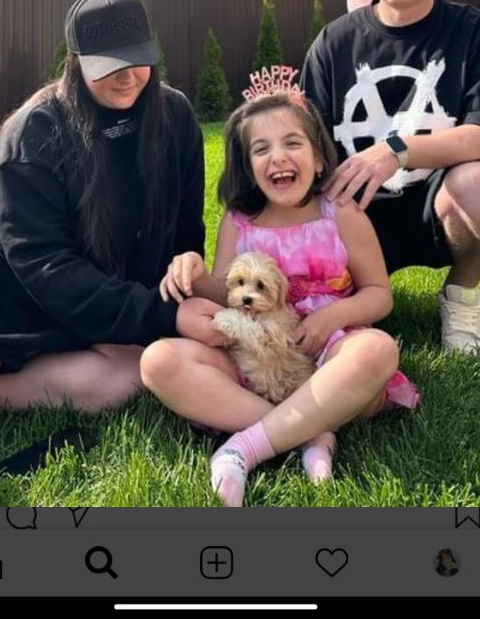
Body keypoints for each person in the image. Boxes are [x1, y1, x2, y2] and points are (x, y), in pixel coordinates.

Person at [0, 0, 225, 481]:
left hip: (84, 299)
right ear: (76, 62)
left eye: (137, 60)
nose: (126, 76)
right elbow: (45, 267)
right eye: (108, 65)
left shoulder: (175, 118)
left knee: (129, 378)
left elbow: (184, 234)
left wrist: (185, 276)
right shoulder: (34, 132)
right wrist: (166, 315)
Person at [141, 85, 419, 507]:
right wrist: (196, 272)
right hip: (255, 360)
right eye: (261, 149)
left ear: (319, 157)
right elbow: (230, 295)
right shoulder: (240, 221)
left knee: (377, 351)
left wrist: (330, 318)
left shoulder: (341, 213)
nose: (278, 157)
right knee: (158, 361)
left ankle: (245, 447)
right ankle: (310, 432)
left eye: (292, 143)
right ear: (247, 167)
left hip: (329, 357)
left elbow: (380, 295)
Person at [300, 0, 480, 355]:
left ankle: (462, 296)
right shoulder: (333, 43)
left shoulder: (476, 32)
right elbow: (309, 144)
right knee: (342, 324)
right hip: (354, 208)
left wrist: (395, 150)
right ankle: (351, 288)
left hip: (440, 199)